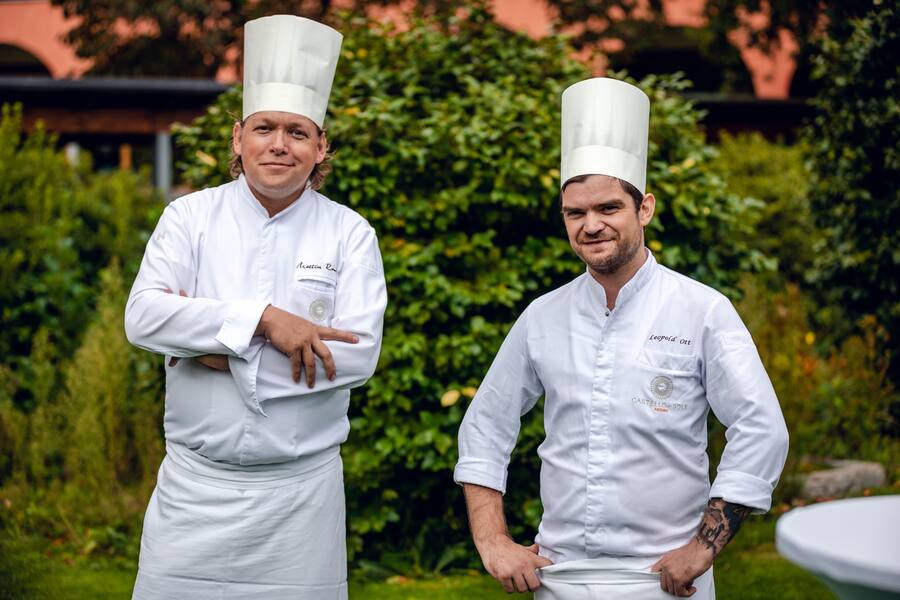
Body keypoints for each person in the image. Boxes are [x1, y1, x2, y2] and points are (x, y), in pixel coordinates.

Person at [453, 77, 789, 599]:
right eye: (575, 212)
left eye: (608, 208)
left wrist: (703, 547)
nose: (591, 225)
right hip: (558, 575)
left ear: (644, 209)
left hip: (666, 578)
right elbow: (486, 428)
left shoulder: (702, 310)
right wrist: (493, 539)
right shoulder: (543, 316)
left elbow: (761, 427)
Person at [124, 15, 386, 600]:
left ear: (321, 148)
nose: (279, 144)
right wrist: (268, 323)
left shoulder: (350, 234)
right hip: (193, 492)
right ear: (237, 137)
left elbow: (358, 358)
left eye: (297, 132)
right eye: (265, 127)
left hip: (303, 499)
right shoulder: (188, 218)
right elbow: (143, 317)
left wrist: (210, 349)